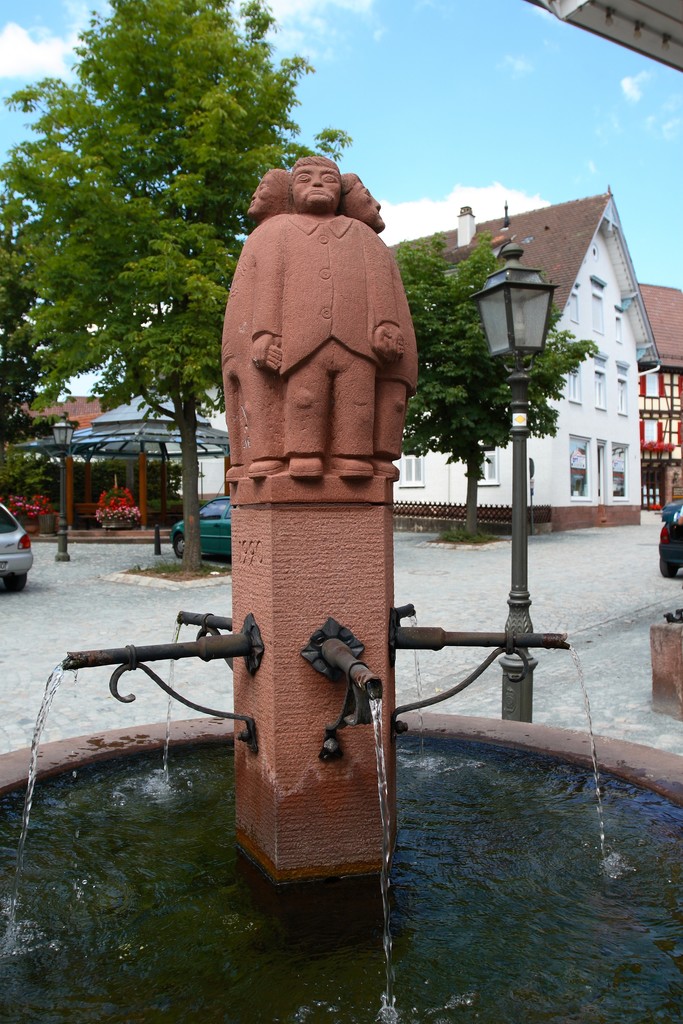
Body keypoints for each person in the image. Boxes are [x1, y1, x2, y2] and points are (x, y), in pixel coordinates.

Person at [229, 155, 415, 480]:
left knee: (358, 400)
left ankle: (352, 454)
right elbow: (269, 284)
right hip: (302, 339)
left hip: (357, 340)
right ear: (291, 191)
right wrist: (264, 334)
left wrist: (386, 325)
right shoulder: (280, 232)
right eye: (305, 178)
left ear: (340, 192)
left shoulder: (364, 236)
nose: (317, 183)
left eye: (328, 178)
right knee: (304, 396)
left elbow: (381, 285)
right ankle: (304, 452)